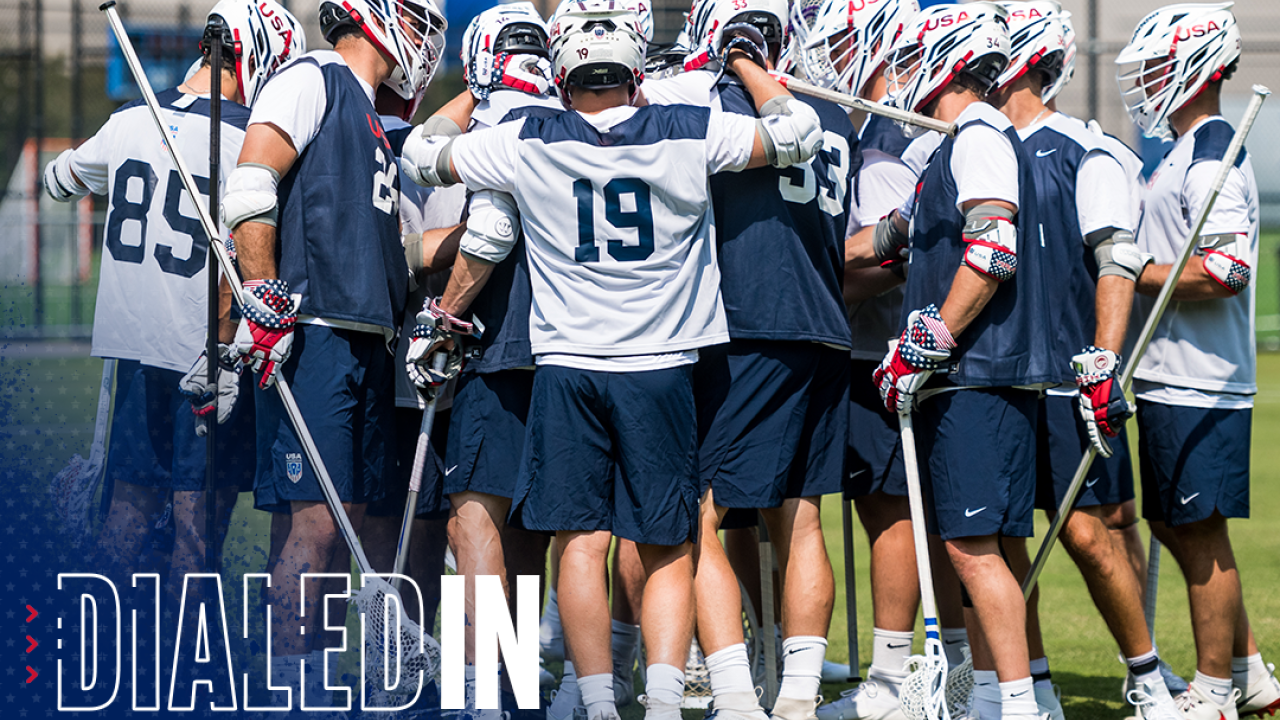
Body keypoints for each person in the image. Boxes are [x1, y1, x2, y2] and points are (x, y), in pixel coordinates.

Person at [400, 3, 822, 720]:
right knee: (666, 542)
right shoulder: (687, 128)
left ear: (563, 72)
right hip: (662, 364)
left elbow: (420, 151)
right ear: (635, 70)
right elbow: (797, 135)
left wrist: (476, 85)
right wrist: (746, 61)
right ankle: (659, 700)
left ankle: (594, 701)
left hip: (566, 363)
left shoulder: (527, 136)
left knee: (579, 542)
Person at [41, 0, 303, 603]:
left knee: (125, 515)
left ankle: (97, 655)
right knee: (198, 531)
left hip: (133, 353)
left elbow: (60, 179)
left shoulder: (131, 120)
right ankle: (186, 675)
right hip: (206, 355)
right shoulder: (253, 141)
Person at [638, 0, 857, 718]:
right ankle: (797, 695)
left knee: (699, 517)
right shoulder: (839, 119)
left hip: (751, 324)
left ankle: (734, 692)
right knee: (799, 518)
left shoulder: (713, 106)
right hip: (825, 327)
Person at [221, 0, 446, 700]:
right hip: (315, 331)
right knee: (317, 526)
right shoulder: (312, 76)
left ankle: (348, 688)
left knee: (357, 525)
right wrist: (260, 295)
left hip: (370, 340)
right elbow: (251, 183)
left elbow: (398, 250)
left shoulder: (377, 117)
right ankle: (293, 692)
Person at [984, 4, 1183, 720]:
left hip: (1066, 378)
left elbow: (1114, 260)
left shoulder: (1083, 148)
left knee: (1089, 533)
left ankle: (1147, 675)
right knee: (999, 539)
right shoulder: (971, 142)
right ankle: (1032, 683)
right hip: (990, 376)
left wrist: (1100, 362)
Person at [862, 4, 1055, 720]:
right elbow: (891, 240)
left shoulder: (977, 134)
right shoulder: (953, 143)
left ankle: (1016, 705)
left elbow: (993, 249)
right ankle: (981, 699)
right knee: (965, 545)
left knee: (975, 550)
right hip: (968, 378)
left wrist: (928, 340)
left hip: (979, 374)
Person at [1116, 5, 1280, 720]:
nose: (1147, 81)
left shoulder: (1213, 153)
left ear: (1193, 66)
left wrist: (1138, 271)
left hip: (1200, 377)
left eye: (1155, 65)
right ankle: (1249, 673)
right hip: (1167, 372)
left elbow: (1225, 271)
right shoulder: (1181, 150)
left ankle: (1213, 692)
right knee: (1174, 525)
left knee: (1201, 533)